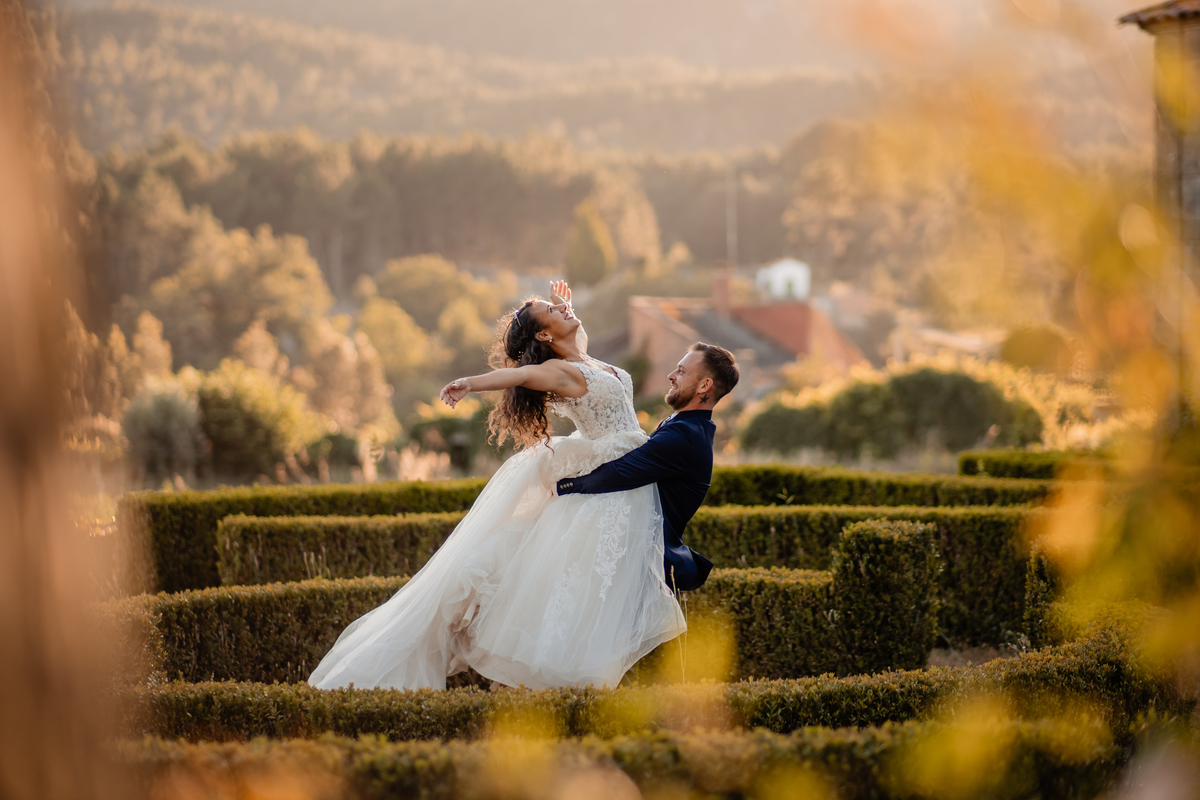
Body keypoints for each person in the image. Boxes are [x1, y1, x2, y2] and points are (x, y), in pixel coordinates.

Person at [308, 281, 687, 690]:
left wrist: (565, 309)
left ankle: (578, 687)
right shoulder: (559, 371)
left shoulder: (584, 358)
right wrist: (471, 383)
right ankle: (568, 685)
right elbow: (521, 374)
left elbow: (579, 347)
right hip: (613, 481)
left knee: (603, 587)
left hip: (627, 474)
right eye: (553, 313)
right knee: (591, 588)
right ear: (545, 336)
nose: (563, 310)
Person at [556, 341, 739, 592]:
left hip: (643, 570)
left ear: (704, 386)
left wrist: (560, 486)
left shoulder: (685, 436)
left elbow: (616, 473)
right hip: (633, 557)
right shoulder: (686, 425)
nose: (671, 376)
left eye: (681, 371)